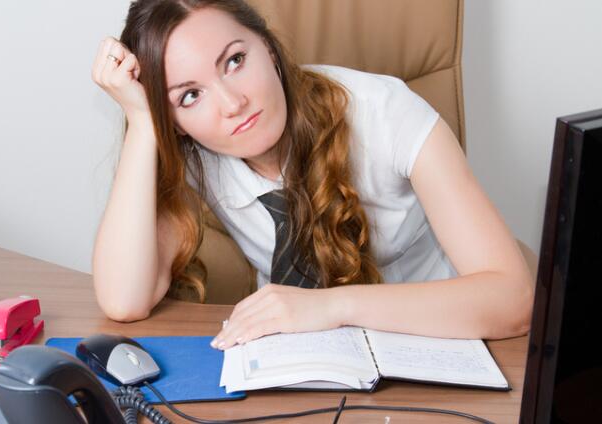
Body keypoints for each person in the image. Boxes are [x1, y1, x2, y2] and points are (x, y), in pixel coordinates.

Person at [91, 0, 534, 350]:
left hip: (438, 339)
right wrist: (143, 122)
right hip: (304, 356)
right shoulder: (196, 154)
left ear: (268, 47)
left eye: (235, 61)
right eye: (189, 96)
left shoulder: (386, 113)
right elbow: (124, 300)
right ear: (175, 124)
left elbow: (513, 299)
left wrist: (332, 307)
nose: (232, 103)